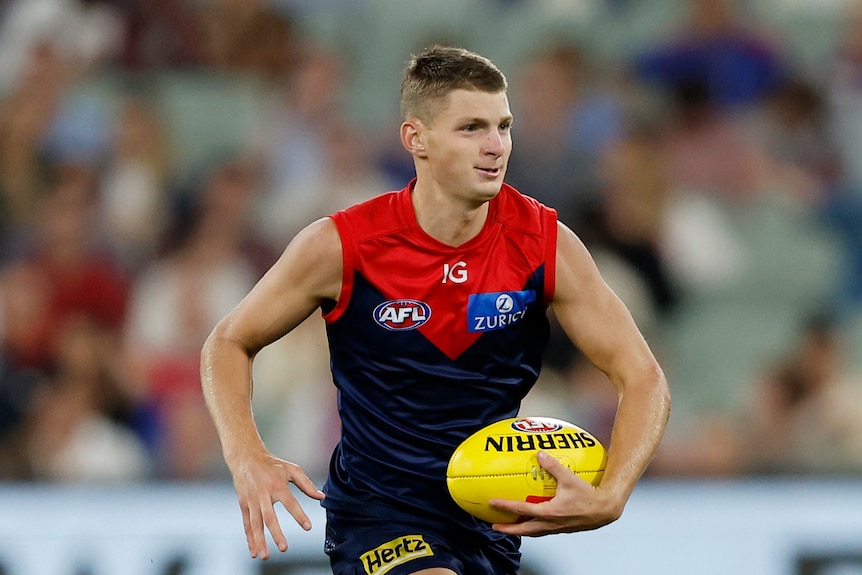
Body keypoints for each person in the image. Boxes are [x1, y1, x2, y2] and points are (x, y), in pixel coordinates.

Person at [200, 45, 671, 574]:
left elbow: (644, 378)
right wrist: (246, 455)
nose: (496, 147)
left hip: (490, 522)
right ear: (415, 139)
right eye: (471, 128)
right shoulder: (342, 245)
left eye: (504, 126)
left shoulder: (546, 244)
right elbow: (227, 342)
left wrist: (613, 494)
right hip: (379, 515)